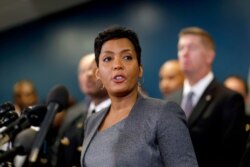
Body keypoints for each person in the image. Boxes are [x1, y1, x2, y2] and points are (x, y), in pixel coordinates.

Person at [81, 26, 198, 167]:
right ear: (98, 73)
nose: (117, 65)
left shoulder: (164, 113)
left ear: (140, 69)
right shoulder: (92, 121)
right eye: (107, 59)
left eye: (127, 57)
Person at [168, 26, 248, 167]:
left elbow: (231, 156)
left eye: (192, 48)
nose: (184, 53)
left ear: (209, 56)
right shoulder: (170, 100)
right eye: (181, 48)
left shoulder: (229, 100)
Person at [51, 53, 111, 167]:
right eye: (82, 71)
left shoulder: (124, 113)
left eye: (94, 69)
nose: (88, 74)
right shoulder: (72, 114)